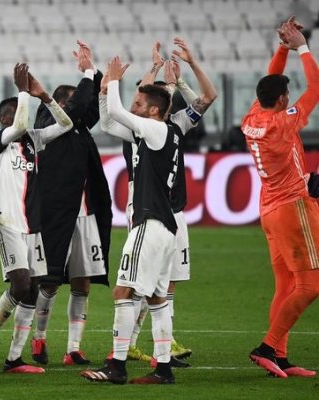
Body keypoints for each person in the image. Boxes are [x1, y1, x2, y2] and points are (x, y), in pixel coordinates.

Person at [82, 51, 211, 384]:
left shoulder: (156, 130)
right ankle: (164, 369)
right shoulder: (154, 132)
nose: (134, 106)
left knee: (123, 292)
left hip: (150, 222)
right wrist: (104, 91)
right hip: (164, 225)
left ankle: (117, 366)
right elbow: (110, 121)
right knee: (156, 299)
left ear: (153, 110)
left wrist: (111, 81)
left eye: (139, 102)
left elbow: (116, 111)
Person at [0, 63, 73, 374]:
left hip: (33, 225)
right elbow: (17, 126)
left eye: (18, 111)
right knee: (20, 285)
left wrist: (45, 97)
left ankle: (15, 358)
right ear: (2, 119)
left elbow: (67, 124)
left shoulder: (34, 139)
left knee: (34, 288)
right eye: (11, 113)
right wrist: (21, 92)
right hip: (6, 221)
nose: (17, 118)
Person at [125, 39, 218, 365]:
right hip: (146, 207)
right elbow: (142, 97)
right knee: (139, 279)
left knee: (169, 278)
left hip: (174, 209)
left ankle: (164, 340)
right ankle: (130, 342)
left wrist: (182, 77)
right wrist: (152, 70)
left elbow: (207, 99)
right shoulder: (137, 127)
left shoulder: (175, 123)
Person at [243, 17, 319, 378]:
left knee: (287, 284)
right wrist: (302, 45)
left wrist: (282, 49)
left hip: (269, 209)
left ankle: (280, 355)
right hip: (292, 206)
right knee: (311, 284)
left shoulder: (253, 117)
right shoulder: (283, 122)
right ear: (283, 100)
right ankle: (268, 346)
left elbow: (272, 83)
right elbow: (316, 86)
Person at [29, 40, 112, 366]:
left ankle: (73, 348)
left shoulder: (78, 130)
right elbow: (79, 108)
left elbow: (86, 109)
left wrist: (98, 77)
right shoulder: (50, 126)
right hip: (56, 216)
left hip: (85, 216)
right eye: (73, 100)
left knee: (82, 282)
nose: (80, 106)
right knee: (50, 282)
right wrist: (88, 73)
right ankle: (39, 340)